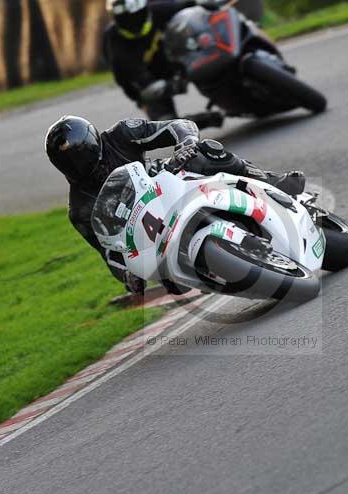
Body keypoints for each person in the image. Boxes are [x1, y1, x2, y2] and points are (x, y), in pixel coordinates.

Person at [45, 115, 305, 294]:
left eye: (86, 158)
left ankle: (269, 180)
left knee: (207, 151)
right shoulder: (79, 209)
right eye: (74, 165)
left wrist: (186, 143)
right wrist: (128, 276)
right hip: (151, 233)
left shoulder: (121, 134)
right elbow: (108, 253)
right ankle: (223, 272)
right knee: (173, 285)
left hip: (166, 182)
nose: (86, 168)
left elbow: (177, 126)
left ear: (95, 143)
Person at [103, 0, 224, 129]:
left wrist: (206, 6)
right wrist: (140, 99)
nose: (132, 22)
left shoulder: (158, 10)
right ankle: (203, 121)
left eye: (135, 16)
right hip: (153, 79)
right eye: (125, 18)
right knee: (166, 126)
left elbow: (188, 6)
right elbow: (125, 79)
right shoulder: (114, 42)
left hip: (182, 59)